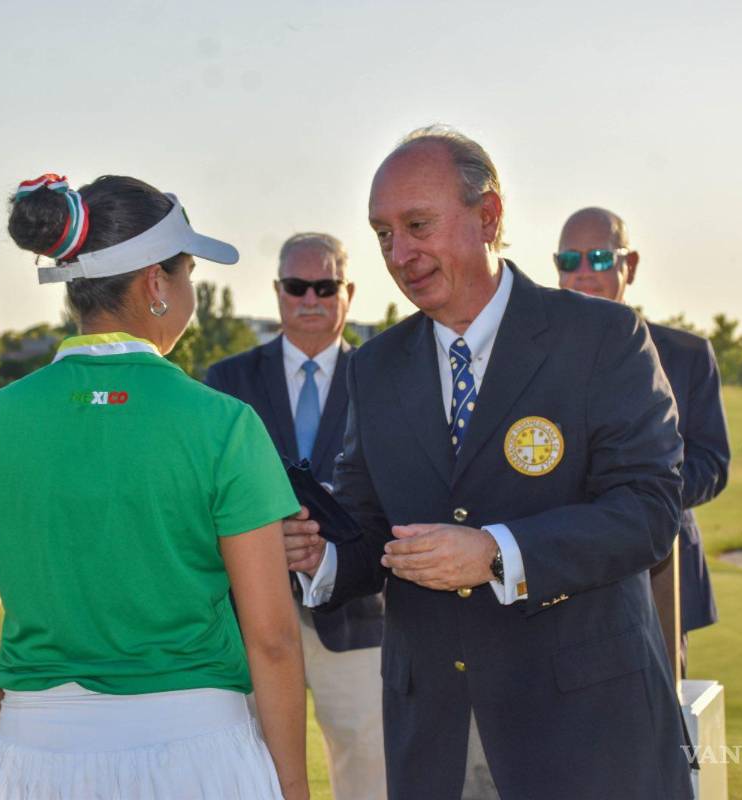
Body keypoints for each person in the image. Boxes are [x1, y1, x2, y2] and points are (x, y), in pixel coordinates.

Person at [283, 128, 694, 799]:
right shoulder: (376, 366)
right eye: (383, 233)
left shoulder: (600, 338)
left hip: (584, 731)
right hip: (435, 736)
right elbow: (368, 520)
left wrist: (498, 552)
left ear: (490, 216)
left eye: (418, 225)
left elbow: (649, 511)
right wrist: (318, 552)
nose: (399, 253)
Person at [0, 173, 309, 800]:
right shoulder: (223, 423)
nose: (192, 290)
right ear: (155, 284)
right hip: (199, 756)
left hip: (32, 754)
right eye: (188, 271)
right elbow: (272, 638)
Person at [206, 233, 387, 800]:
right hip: (252, 611)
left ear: (348, 292)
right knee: (253, 767)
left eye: (325, 286)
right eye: (296, 286)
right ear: (278, 291)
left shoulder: (384, 379)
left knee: (370, 765)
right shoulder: (227, 382)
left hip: (357, 614)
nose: (310, 298)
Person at [554, 207, 730, 675]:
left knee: (663, 732)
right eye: (569, 259)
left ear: (628, 266)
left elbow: (712, 463)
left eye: (599, 257)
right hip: (560, 573)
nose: (584, 273)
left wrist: (633, 503)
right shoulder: (531, 359)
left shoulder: (688, 355)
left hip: (661, 570)